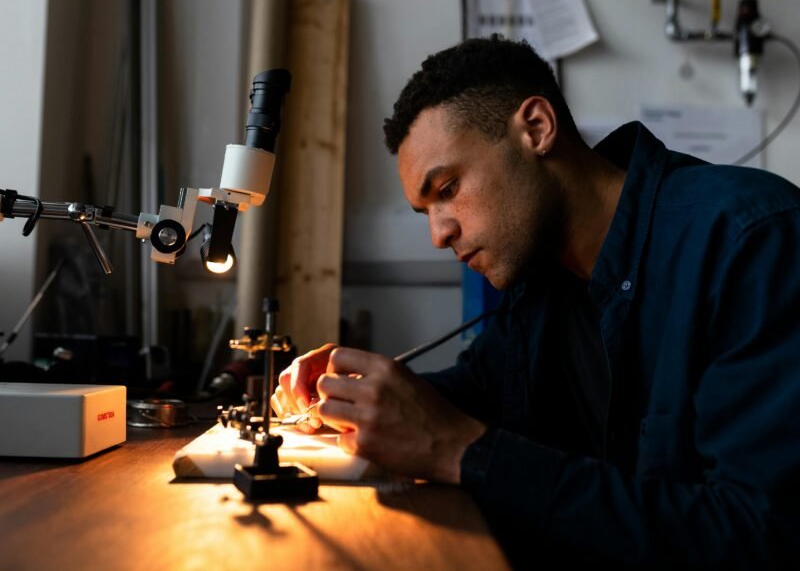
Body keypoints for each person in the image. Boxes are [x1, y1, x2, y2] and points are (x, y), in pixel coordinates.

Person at [271, 35, 800, 567]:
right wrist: (349, 400)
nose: (439, 234)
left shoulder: (750, 241)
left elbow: (756, 533)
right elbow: (476, 392)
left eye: (448, 188)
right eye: (424, 210)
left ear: (537, 129)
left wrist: (460, 452)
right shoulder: (540, 279)